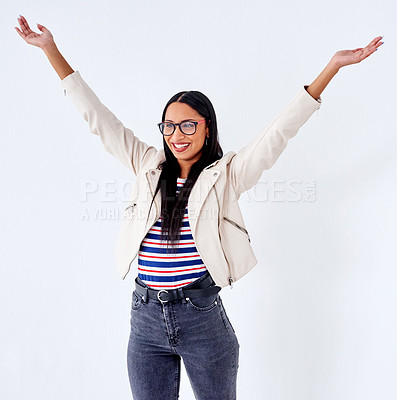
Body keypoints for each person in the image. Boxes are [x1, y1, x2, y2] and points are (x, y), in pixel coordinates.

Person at [15, 15, 383, 400]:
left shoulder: (227, 175)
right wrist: (50, 51)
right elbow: (98, 119)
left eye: (188, 125)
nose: (177, 135)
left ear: (207, 128)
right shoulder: (147, 164)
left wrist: (332, 68)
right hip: (144, 319)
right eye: (169, 126)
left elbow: (280, 131)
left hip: (201, 317)